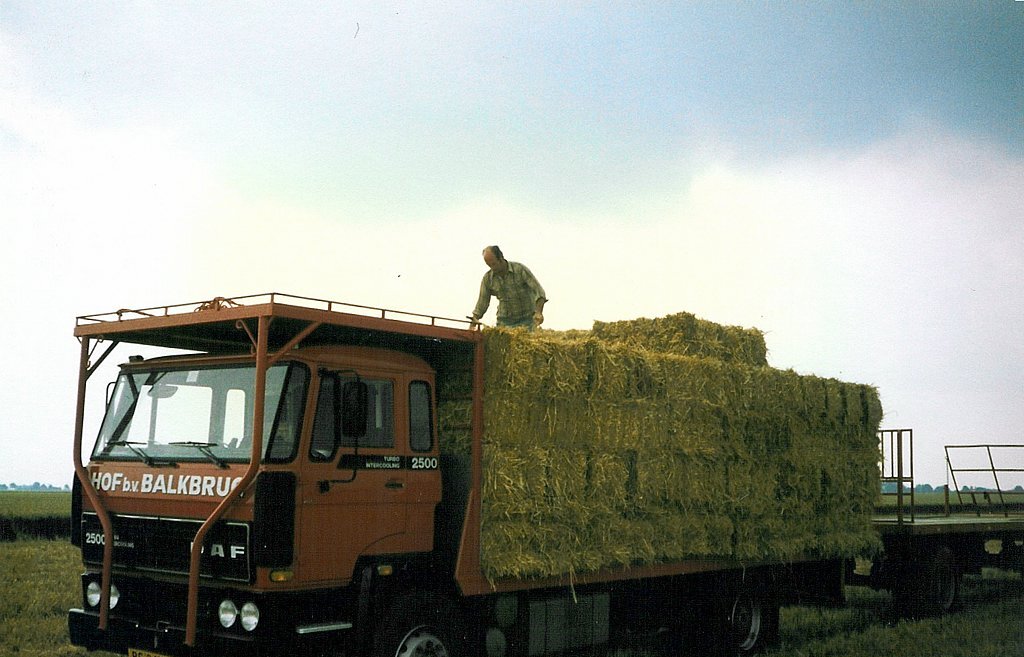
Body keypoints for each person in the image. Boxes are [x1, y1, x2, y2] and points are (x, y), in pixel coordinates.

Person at [469, 245, 547, 330]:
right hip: (504, 322)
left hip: (527, 320)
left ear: (501, 258)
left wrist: (539, 312)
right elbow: (482, 303)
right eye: (489, 265)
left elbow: (539, 292)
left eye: (494, 264)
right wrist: (473, 323)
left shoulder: (520, 270)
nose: (492, 268)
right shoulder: (488, 279)